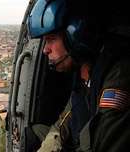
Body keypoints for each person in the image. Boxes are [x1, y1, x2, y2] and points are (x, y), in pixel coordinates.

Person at [28, 0, 130, 151]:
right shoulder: (83, 71)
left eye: (51, 39)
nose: (45, 50)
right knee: (33, 132)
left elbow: (102, 144)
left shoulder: (118, 76)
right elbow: (68, 115)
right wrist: (50, 143)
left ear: (76, 34)